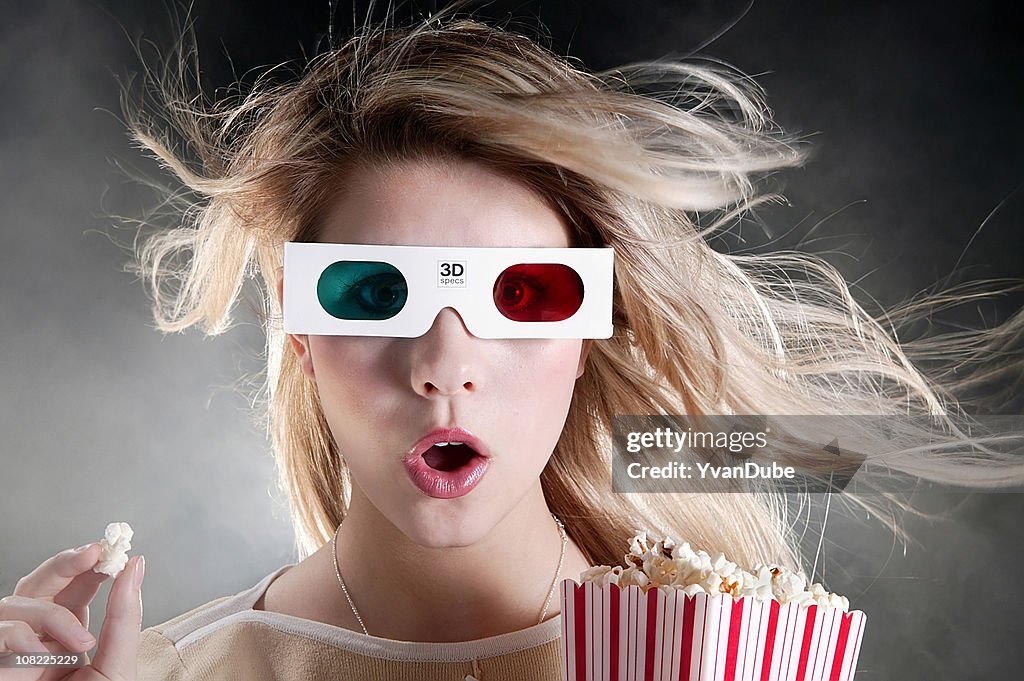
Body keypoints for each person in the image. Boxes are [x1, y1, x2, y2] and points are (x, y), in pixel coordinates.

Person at [1, 7, 1020, 681]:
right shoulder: (152, 675)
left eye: (525, 294)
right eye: (371, 292)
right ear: (297, 320)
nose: (444, 363)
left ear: (590, 331)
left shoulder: (728, 659)